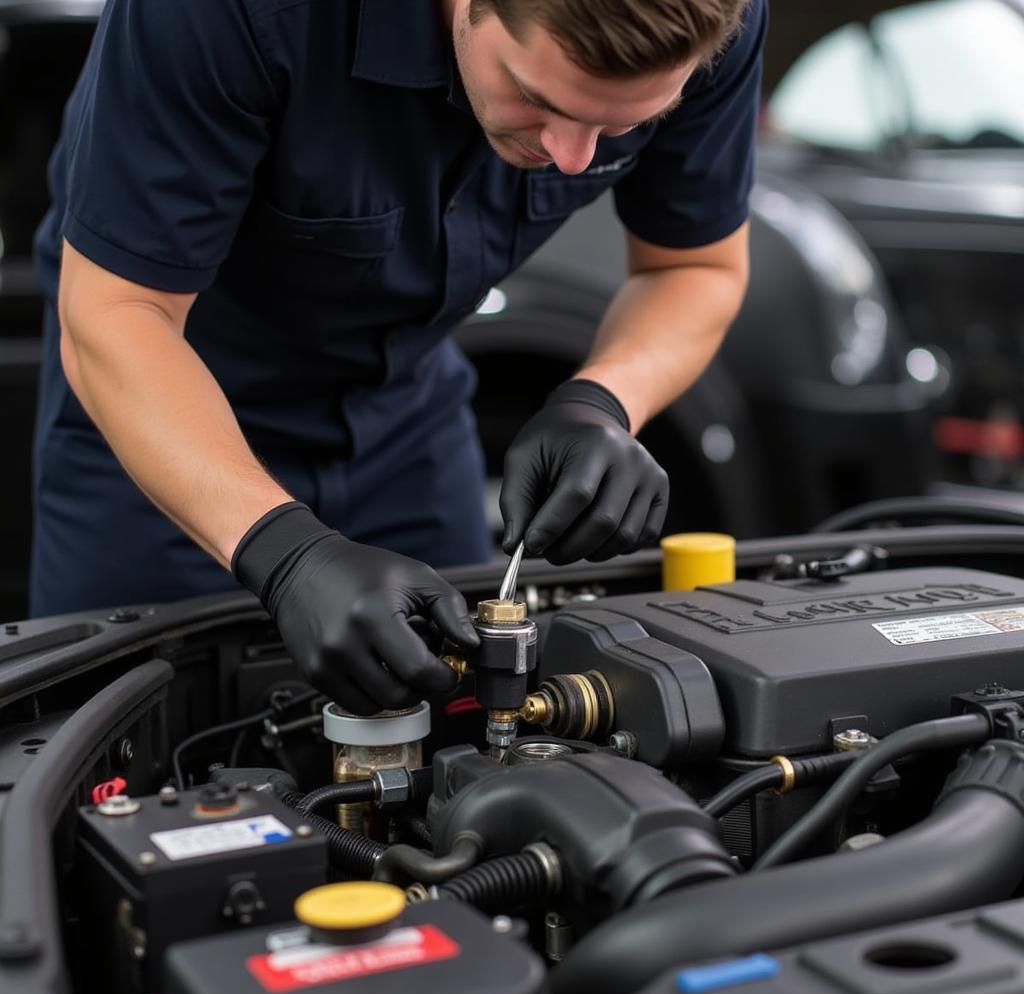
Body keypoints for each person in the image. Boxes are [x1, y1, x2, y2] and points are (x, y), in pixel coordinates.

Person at [32, 0, 765, 714]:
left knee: (460, 739)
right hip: (158, 427)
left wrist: (604, 400)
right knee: (123, 776)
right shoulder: (236, 13)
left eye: (623, 126)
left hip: (408, 421)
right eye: (537, 99)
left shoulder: (707, 19)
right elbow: (118, 315)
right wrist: (284, 552)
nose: (573, 160)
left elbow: (692, 269)